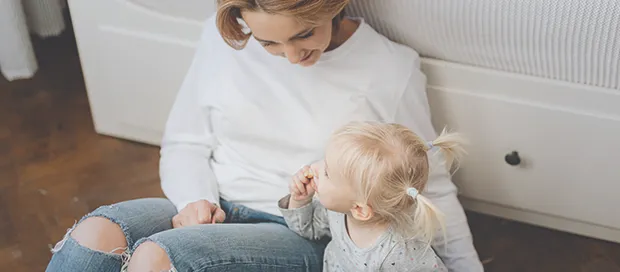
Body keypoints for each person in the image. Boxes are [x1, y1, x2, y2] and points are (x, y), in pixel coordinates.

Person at [45, 0, 483, 271]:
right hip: (216, 205)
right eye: (269, 43)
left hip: (303, 231)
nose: (292, 57)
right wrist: (196, 200)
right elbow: (185, 142)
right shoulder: (222, 43)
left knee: (156, 259)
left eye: (304, 33)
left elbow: (431, 187)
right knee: (94, 236)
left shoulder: (389, 68)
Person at [280, 121, 466, 271]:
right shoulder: (339, 211)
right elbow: (307, 230)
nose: (315, 168)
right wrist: (300, 198)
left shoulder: (400, 251)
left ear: (360, 209)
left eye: (327, 172)